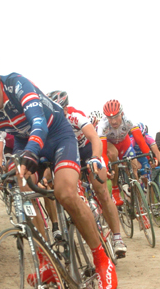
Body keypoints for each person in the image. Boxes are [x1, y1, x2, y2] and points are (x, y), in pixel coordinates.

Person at [0, 50, 117, 289]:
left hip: (56, 135)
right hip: (25, 141)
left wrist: (31, 152)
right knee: (20, 187)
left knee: (65, 192)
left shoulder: (16, 83)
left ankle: (102, 260)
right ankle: (45, 260)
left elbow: (38, 122)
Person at [47, 90, 127, 257]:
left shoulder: (75, 116)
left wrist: (96, 158)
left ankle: (118, 238)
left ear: (65, 109)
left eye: (58, 111)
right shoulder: (49, 123)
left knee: (102, 191)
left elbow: (95, 139)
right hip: (69, 155)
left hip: (87, 151)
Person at [97, 100, 160, 206]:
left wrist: (150, 157)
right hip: (110, 144)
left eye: (116, 117)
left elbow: (140, 141)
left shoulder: (128, 120)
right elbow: (103, 151)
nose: (113, 121)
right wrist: (108, 168)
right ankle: (115, 189)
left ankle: (140, 205)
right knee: (113, 154)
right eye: (110, 118)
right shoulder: (102, 125)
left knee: (134, 170)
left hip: (124, 144)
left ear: (121, 113)